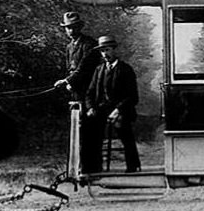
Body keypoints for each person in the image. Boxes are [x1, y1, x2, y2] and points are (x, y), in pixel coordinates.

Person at [53, 11, 102, 174]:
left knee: (90, 131)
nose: (71, 31)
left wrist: (67, 81)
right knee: (77, 130)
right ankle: (78, 168)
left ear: (80, 27)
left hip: (90, 93)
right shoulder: (69, 47)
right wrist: (69, 83)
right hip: (75, 92)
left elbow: (85, 69)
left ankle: (92, 169)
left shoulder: (90, 45)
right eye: (68, 28)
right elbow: (70, 69)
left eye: (74, 27)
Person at [85, 35, 141, 173]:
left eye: (108, 50)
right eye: (102, 51)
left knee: (123, 130)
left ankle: (132, 166)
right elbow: (89, 92)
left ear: (114, 50)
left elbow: (133, 97)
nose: (105, 54)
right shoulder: (99, 70)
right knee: (91, 130)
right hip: (102, 109)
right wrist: (91, 107)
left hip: (121, 110)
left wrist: (118, 110)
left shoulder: (125, 69)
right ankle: (94, 168)